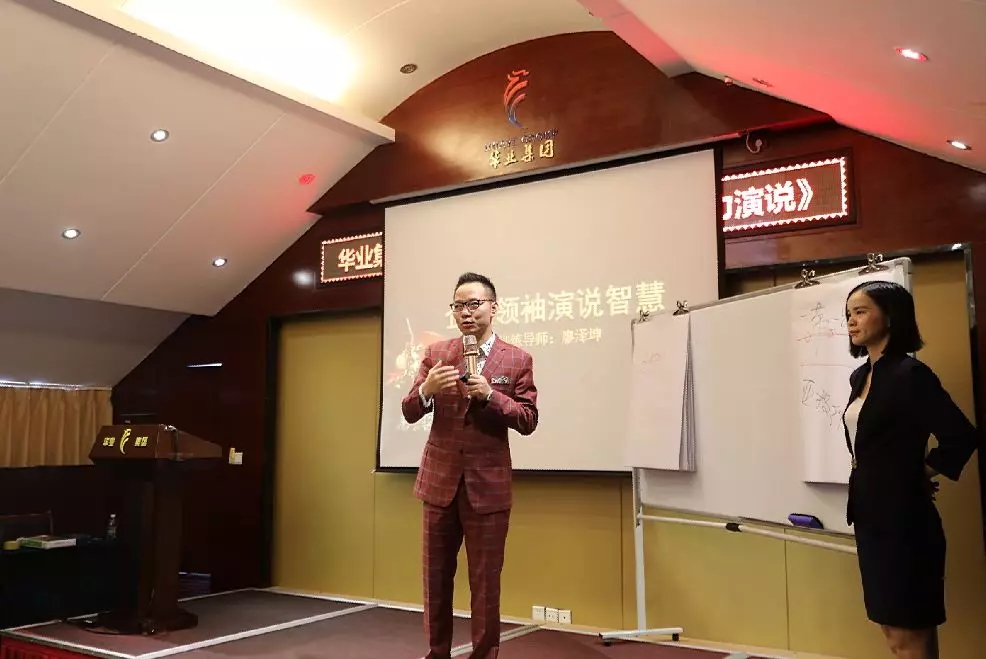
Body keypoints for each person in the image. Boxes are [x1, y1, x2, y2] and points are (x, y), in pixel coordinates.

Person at [402, 272, 539, 659]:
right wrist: (426, 391)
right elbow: (409, 410)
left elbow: (528, 419)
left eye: (474, 304)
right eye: (459, 305)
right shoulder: (436, 354)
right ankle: (437, 653)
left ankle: (484, 655)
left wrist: (492, 397)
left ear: (493, 308)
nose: (466, 312)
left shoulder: (517, 359)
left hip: (488, 490)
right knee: (435, 580)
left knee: (485, 583)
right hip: (439, 485)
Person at [842, 280, 980, 659]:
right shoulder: (860, 376)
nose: (851, 321)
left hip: (905, 523)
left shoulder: (910, 374)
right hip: (870, 518)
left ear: (890, 316)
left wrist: (917, 473)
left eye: (861, 312)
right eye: (848, 314)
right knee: (894, 632)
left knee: (909, 634)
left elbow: (960, 436)